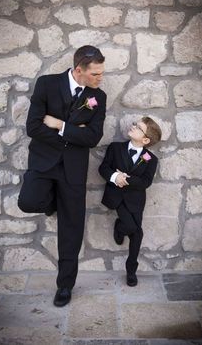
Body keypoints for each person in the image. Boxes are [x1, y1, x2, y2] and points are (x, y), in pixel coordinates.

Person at [18, 45, 106, 306]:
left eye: (101, 73)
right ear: (79, 70)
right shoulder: (46, 84)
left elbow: (92, 137)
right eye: (95, 74)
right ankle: (51, 202)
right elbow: (33, 127)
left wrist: (59, 125)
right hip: (44, 162)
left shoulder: (97, 97)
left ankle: (65, 286)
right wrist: (71, 134)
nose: (100, 79)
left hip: (74, 170)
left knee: (71, 228)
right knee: (28, 202)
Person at [99, 117, 162, 286]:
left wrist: (126, 178)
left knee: (135, 232)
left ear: (146, 140)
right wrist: (115, 176)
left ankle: (130, 268)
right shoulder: (115, 148)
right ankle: (130, 265)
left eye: (138, 127)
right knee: (136, 231)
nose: (133, 127)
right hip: (116, 197)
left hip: (135, 201)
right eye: (135, 124)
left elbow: (146, 182)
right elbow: (103, 168)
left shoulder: (151, 159)